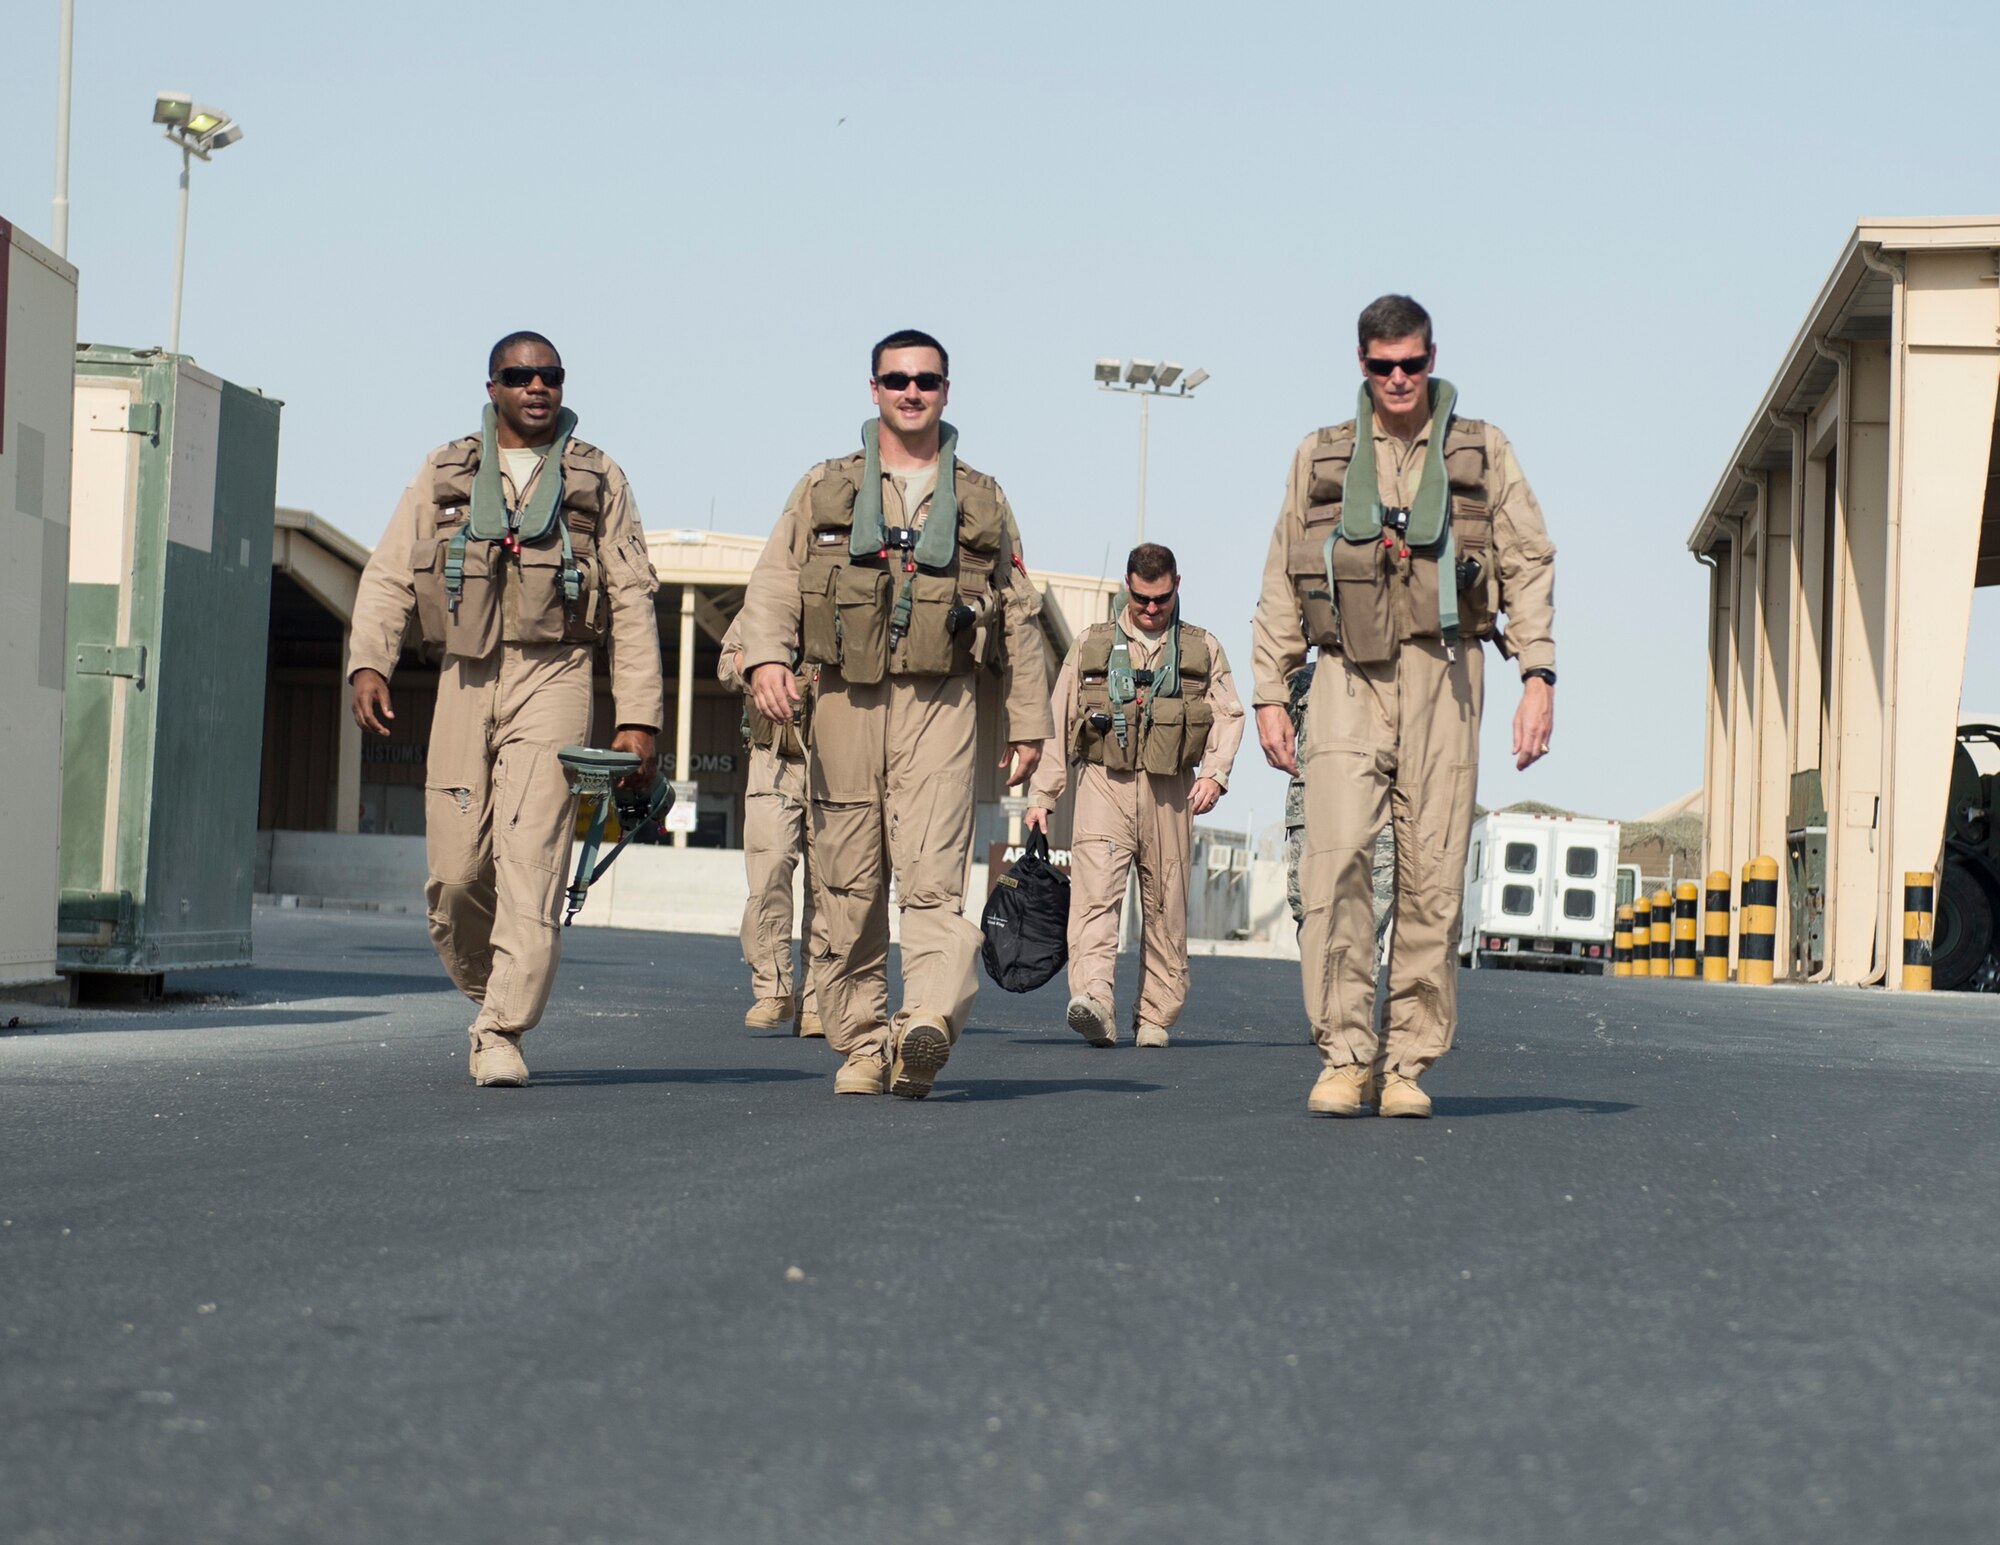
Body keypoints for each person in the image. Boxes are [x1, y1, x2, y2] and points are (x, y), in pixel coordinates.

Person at [1252, 295, 1556, 1119]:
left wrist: (1539, 675)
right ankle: (1346, 1055)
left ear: (1432, 359)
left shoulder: (1483, 451)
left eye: (1412, 364)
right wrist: (1270, 691)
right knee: (1337, 857)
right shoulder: (1320, 455)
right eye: (1383, 365)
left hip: (1447, 675)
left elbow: (1528, 562)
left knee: (1432, 875)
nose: (1398, 378)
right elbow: (1283, 572)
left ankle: (1407, 1064)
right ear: (1361, 363)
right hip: (1346, 673)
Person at [734, 329, 1053, 1099]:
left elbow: (1017, 612)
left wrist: (1029, 721)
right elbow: (776, 581)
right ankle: (863, 1043)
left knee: (933, 879)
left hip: (940, 704)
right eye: (898, 379)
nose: (913, 392)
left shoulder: (982, 495)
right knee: (847, 881)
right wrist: (765, 658)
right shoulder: (823, 486)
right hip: (844, 697)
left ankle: (927, 1024)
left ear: (947, 391)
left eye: (928, 380)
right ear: (873, 388)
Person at [348, 332, 663, 1087]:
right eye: (520, 375)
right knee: (455, 875)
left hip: (557, 673)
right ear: (491, 386)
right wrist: (369, 660)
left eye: (549, 375)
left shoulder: (599, 477)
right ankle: (495, 986)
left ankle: (501, 1029)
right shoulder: (445, 468)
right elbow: (392, 571)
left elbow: (632, 596)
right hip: (464, 672)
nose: (537, 386)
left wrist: (639, 714)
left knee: (532, 861)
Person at [1024, 544, 1244, 1047]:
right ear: (1127, 585)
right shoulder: (1091, 645)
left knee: (1167, 906)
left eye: (1161, 599)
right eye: (1142, 598)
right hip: (1105, 785)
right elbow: (1057, 722)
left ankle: (1155, 1017)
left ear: (1177, 585)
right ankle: (1095, 1003)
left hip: (1171, 791)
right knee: (1094, 902)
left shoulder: (1201, 647)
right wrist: (1044, 794)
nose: (1150, 609)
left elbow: (1229, 713)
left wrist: (1215, 773)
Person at [718, 616, 824, 1038]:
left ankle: (817, 1001)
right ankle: (773, 988)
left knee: (830, 885)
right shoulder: (764, 604)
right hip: (771, 760)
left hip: (832, 761)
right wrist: (759, 660)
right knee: (770, 868)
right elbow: (726, 666)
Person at [1283, 660, 1395, 953]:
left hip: (1377, 812)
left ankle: (1352, 999)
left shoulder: (1406, 678)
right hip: (1312, 811)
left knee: (1367, 924)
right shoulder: (1305, 677)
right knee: (1310, 916)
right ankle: (1323, 996)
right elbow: (1276, 730)